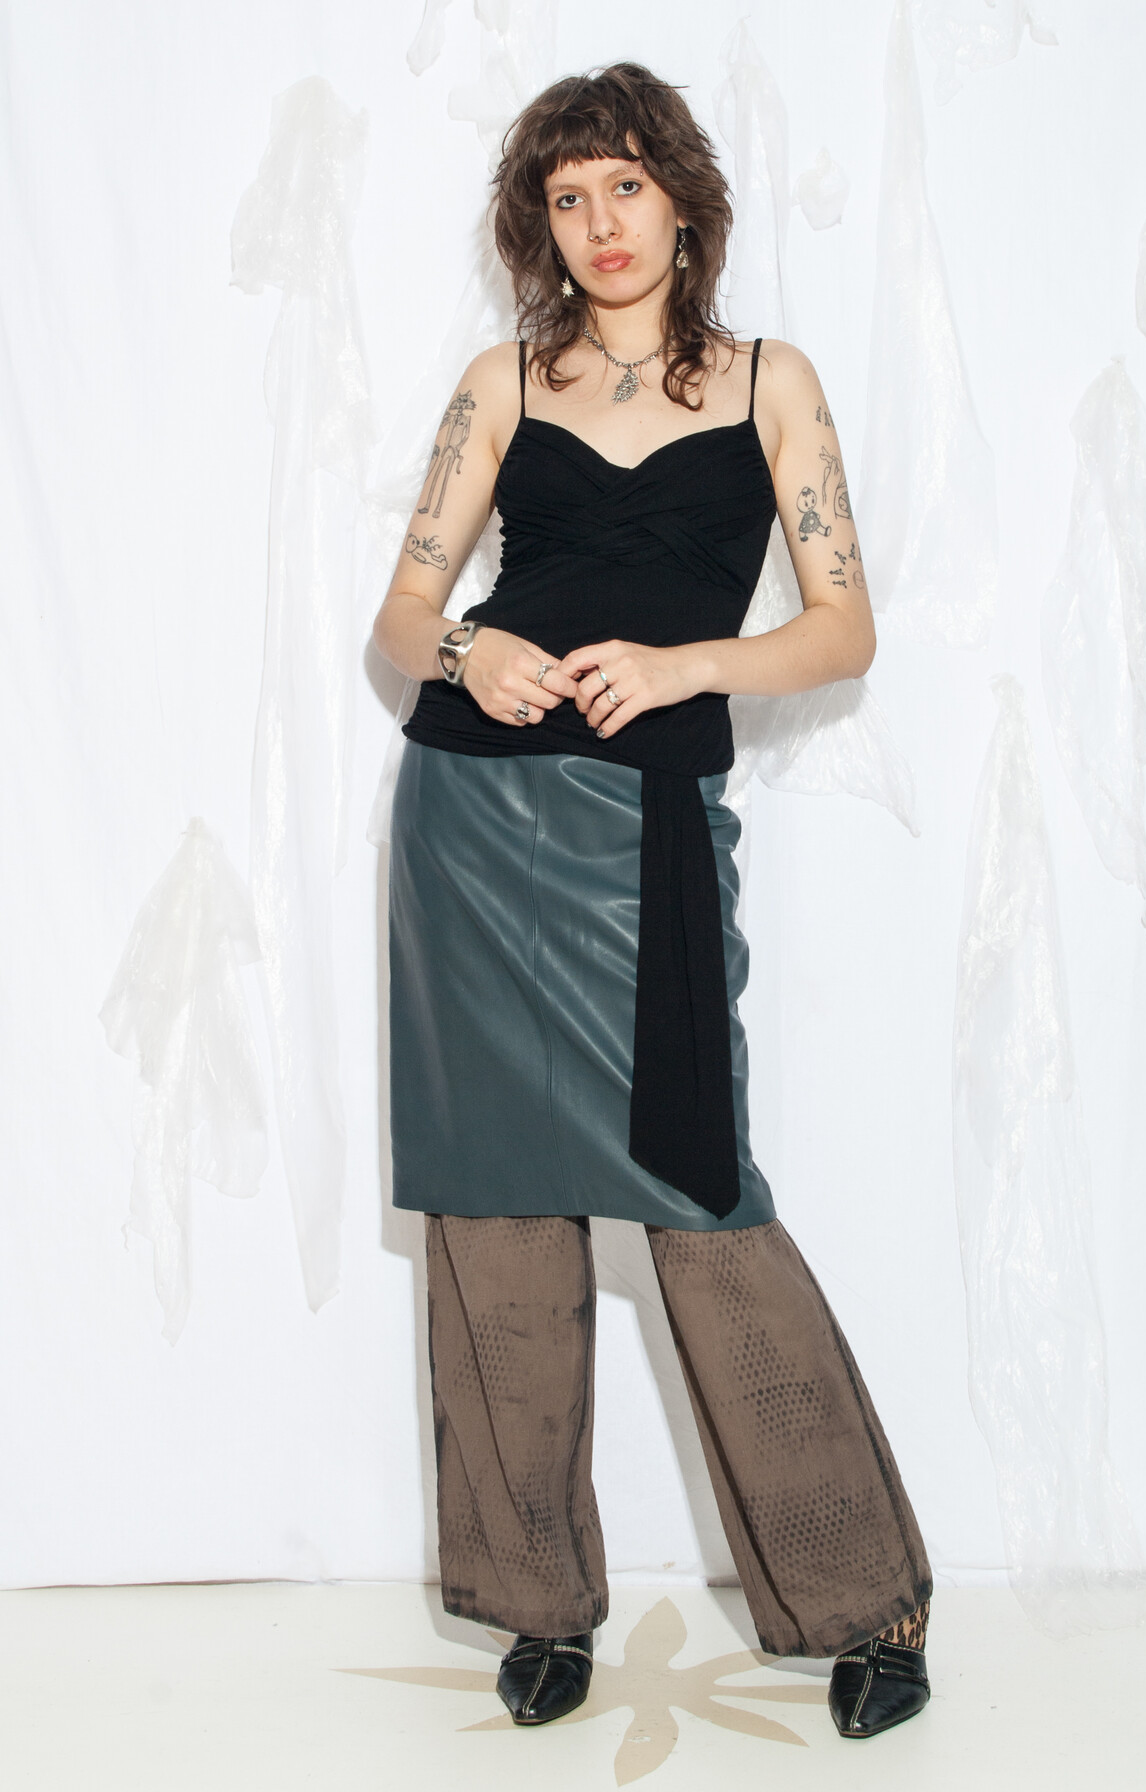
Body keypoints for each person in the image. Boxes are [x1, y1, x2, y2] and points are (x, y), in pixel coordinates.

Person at [371, 61, 933, 1742]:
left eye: (625, 185)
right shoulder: (500, 383)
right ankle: (534, 1603)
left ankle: (865, 1604)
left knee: (701, 1198)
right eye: (566, 197)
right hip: (470, 822)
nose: (600, 223)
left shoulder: (772, 382)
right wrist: (469, 648)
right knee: (491, 1208)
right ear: (536, 226)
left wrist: (688, 663)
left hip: (649, 828)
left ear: (684, 202)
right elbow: (400, 617)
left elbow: (844, 628)